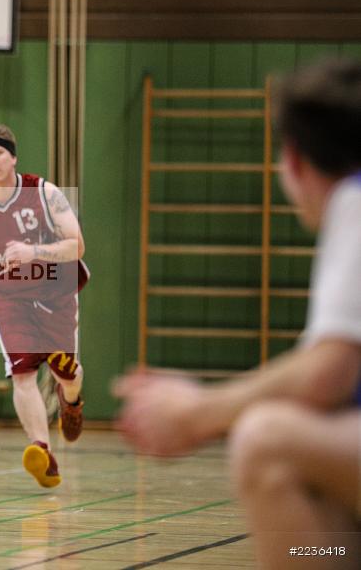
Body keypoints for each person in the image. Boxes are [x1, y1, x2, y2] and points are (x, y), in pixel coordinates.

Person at [115, 58, 361, 569]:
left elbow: (327, 373)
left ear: (292, 160)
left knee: (267, 439)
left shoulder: (352, 202)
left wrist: (196, 412)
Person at [0, 124, 88, 489]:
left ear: (12, 157)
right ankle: (41, 450)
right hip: (7, 298)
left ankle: (72, 401)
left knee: (67, 373)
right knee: (22, 373)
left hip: (56, 293)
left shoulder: (44, 192)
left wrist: (33, 252)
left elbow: (77, 246)